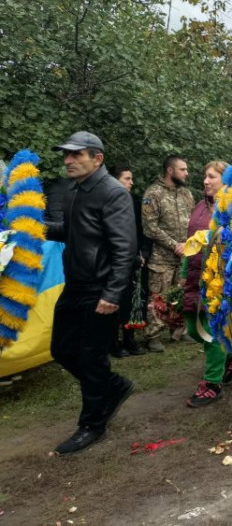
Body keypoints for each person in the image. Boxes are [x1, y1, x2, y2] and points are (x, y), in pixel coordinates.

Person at [46, 131, 137, 455]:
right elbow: (70, 232)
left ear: (97, 158)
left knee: (91, 356)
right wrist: (33, 227)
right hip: (75, 285)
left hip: (100, 288)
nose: (67, 160)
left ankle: (92, 424)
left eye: (76, 155)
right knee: (61, 349)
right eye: (66, 155)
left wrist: (112, 295)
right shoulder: (73, 190)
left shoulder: (113, 193)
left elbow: (125, 247)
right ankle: (114, 386)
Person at [183, 161, 232, 407]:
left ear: (224, 180)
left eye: (211, 176)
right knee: (193, 329)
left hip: (219, 278)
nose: (205, 181)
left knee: (212, 331)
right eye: (205, 176)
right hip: (194, 275)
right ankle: (231, 353)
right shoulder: (201, 206)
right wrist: (184, 269)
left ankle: (213, 383)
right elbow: (191, 239)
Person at [141, 155, 193, 351]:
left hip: (183, 256)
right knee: (158, 297)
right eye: (183, 169)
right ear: (170, 171)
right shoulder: (153, 194)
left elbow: (192, 222)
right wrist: (174, 245)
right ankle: (153, 336)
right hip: (161, 257)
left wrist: (188, 244)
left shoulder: (187, 194)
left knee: (180, 294)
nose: (186, 173)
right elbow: (150, 227)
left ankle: (179, 331)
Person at [109, 164, 146, 357]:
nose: (131, 183)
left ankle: (130, 340)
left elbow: (140, 231)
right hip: (113, 261)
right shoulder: (106, 202)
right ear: (115, 180)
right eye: (127, 179)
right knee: (116, 301)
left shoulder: (135, 201)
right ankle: (113, 343)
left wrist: (141, 254)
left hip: (133, 259)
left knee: (132, 301)